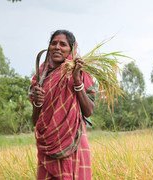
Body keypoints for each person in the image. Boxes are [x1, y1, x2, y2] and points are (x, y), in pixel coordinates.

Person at [29, 29, 96, 179]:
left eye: (63, 44)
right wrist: (37, 104)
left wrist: (77, 81)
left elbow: (88, 111)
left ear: (71, 49)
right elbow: (35, 120)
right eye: (53, 43)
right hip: (47, 144)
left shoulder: (81, 72)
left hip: (73, 140)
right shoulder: (40, 78)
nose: (57, 47)